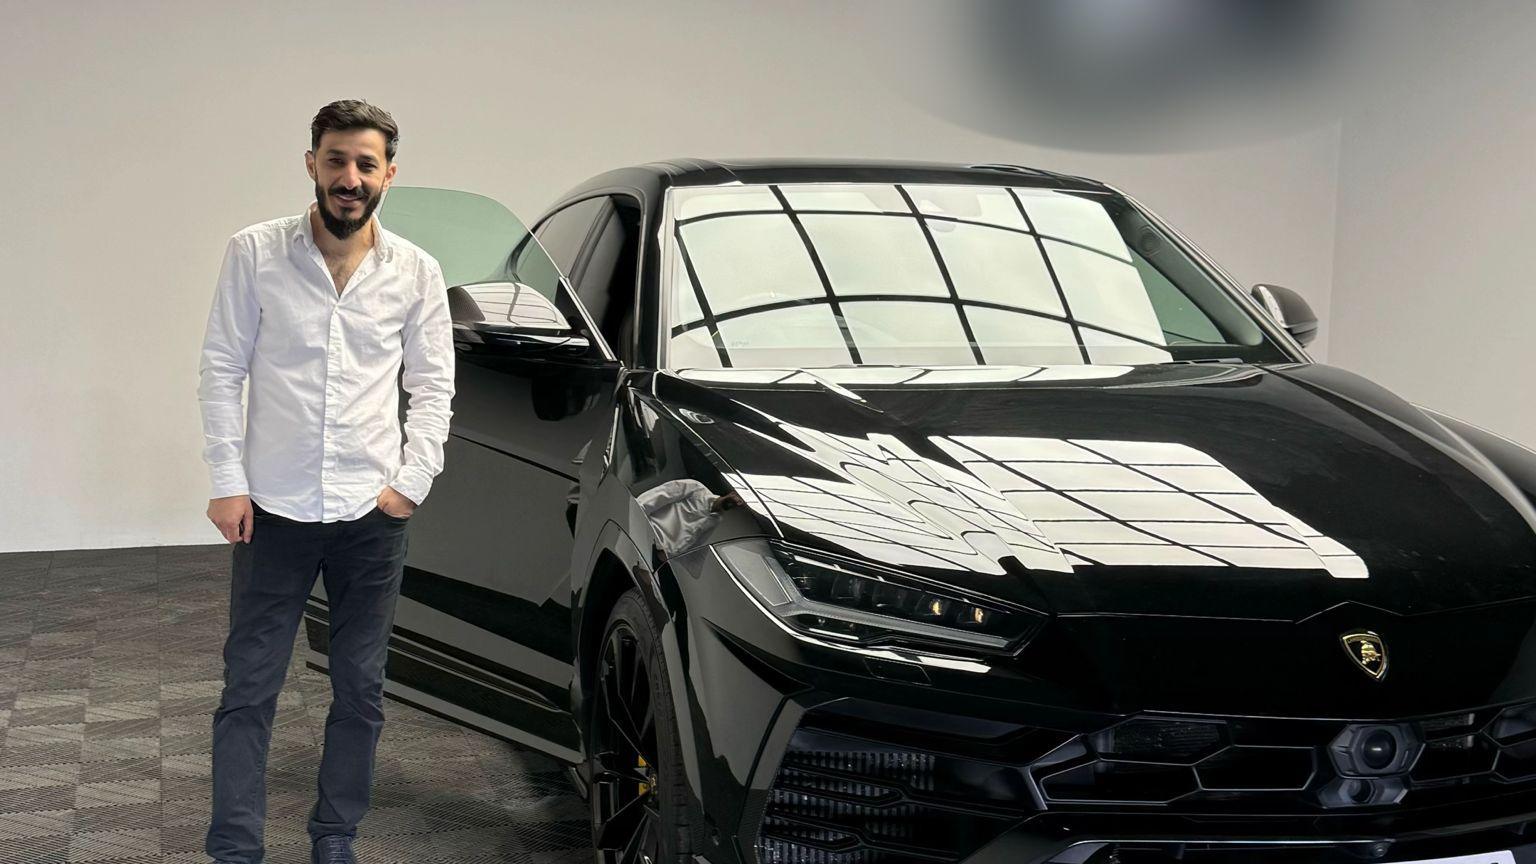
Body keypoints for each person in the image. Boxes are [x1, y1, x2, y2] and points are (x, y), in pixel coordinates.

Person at [196, 99, 456, 864]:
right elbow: (221, 370)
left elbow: (434, 386)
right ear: (311, 162)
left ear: (388, 175)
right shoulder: (255, 253)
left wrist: (412, 481)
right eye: (336, 160)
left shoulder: (415, 270)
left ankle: (335, 837)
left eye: (365, 164)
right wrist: (227, 480)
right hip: (271, 509)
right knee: (248, 688)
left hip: (369, 516)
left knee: (360, 691)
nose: (350, 177)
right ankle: (236, 849)